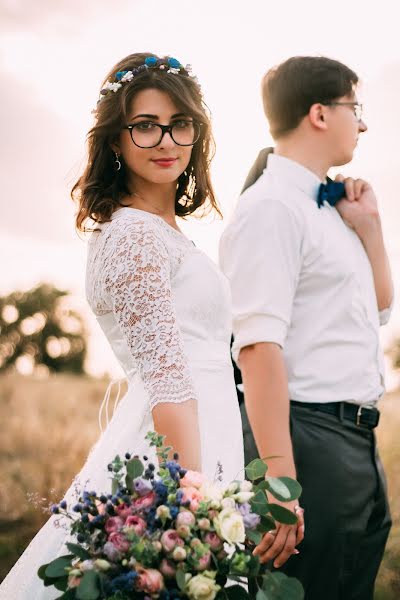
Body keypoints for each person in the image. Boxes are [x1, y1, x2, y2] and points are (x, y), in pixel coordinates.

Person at [0, 52, 244, 599]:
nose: (166, 140)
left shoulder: (167, 233)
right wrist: (190, 499)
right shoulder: (132, 234)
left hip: (207, 439)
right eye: (145, 126)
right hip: (177, 458)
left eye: (180, 124)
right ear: (116, 140)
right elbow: (167, 375)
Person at [220, 56, 393, 600]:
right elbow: (257, 347)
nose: (362, 124)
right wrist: (278, 483)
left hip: (355, 441)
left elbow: (380, 308)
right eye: (354, 108)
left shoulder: (330, 208)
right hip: (307, 440)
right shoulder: (272, 208)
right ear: (320, 113)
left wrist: (370, 229)